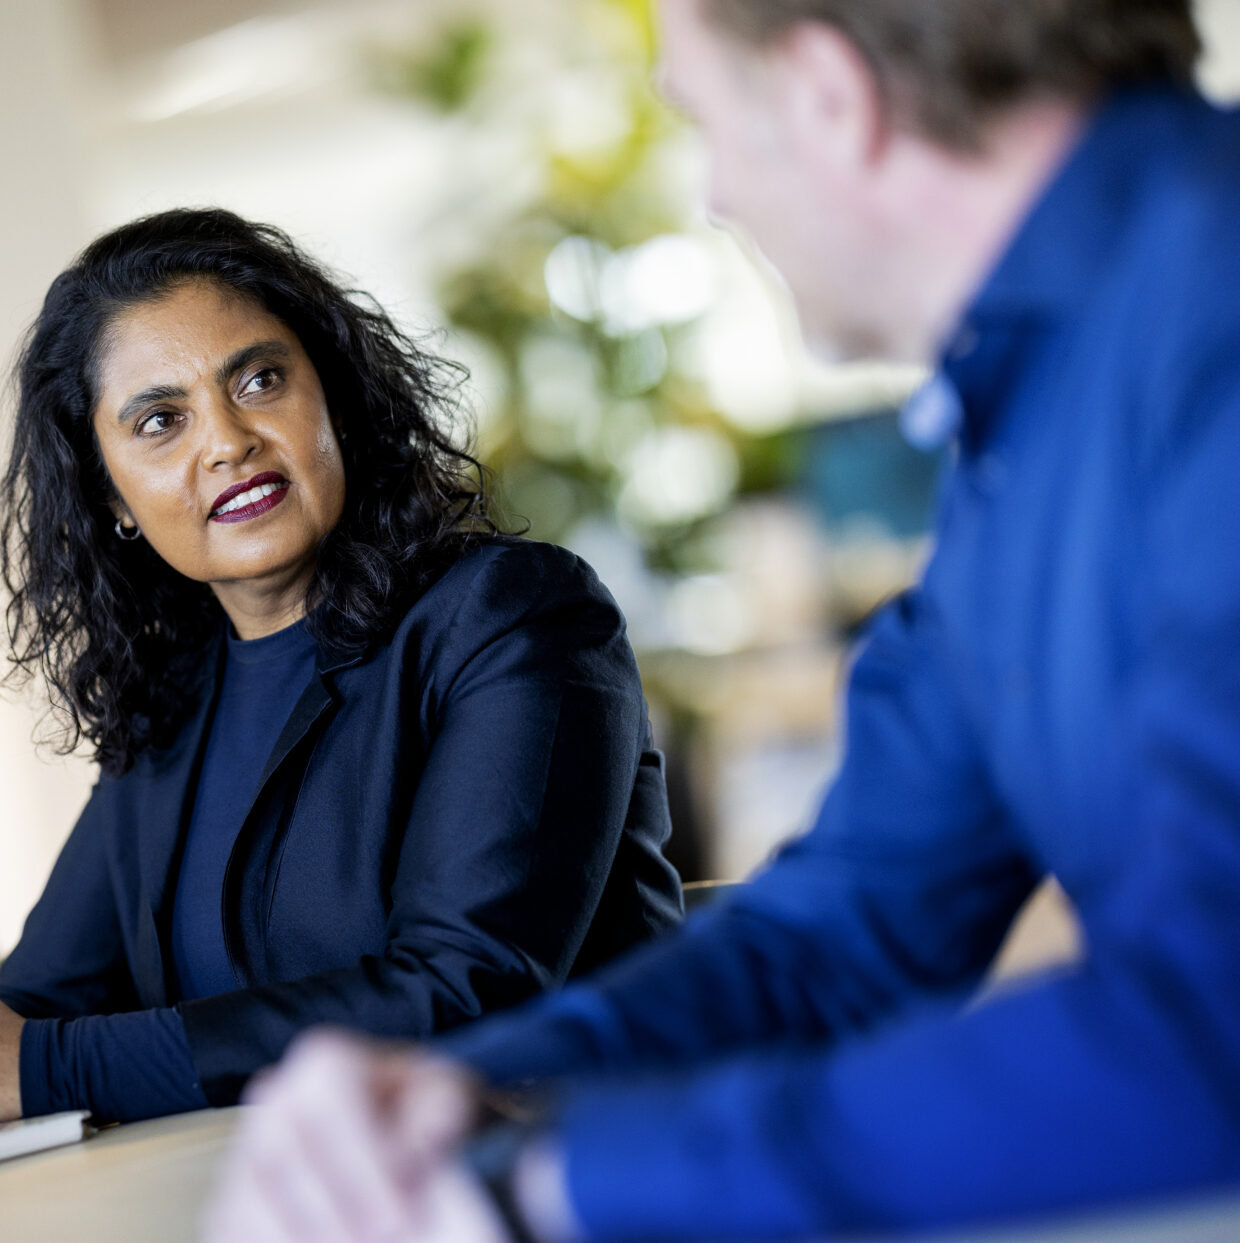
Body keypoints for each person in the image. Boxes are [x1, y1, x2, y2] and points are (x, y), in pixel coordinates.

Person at [205, 0, 1240, 1239]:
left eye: (704, 123)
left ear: (825, 96)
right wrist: (458, 1094)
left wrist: (559, 1185)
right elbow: (848, 928)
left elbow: (1214, 1014)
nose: (717, 199)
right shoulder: (1030, 413)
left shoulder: (1208, 319)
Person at [0, 208, 683, 1138]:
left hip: (579, 1182)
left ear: (332, 394)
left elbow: (464, 991)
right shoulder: (171, 697)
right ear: (112, 498)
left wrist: (29, 1064)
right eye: (160, 420)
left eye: (260, 379)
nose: (228, 439)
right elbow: (43, 1000)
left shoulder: (516, 617)